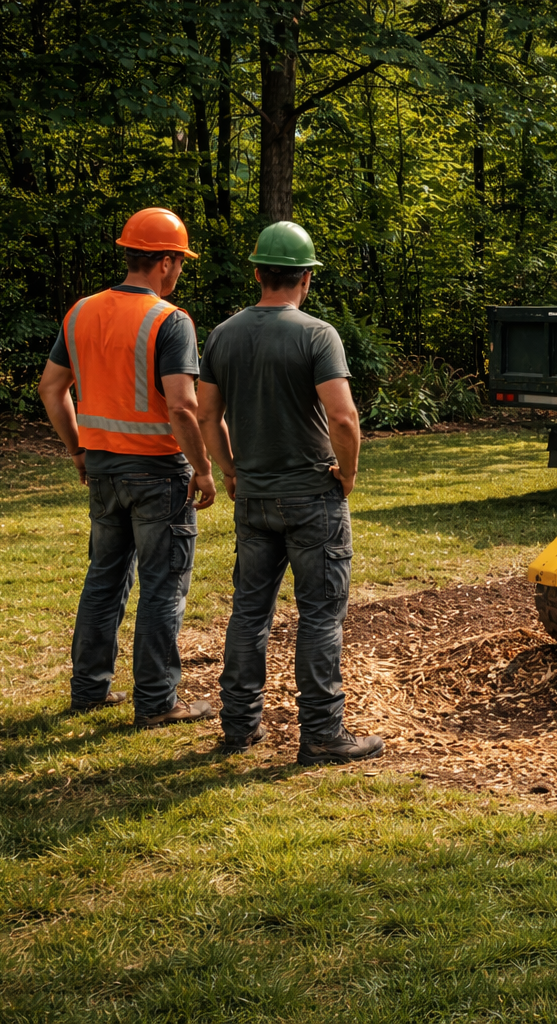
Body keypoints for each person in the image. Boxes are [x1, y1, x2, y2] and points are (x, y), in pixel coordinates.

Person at [197, 221, 383, 764]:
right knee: (320, 615)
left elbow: (207, 414)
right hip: (312, 496)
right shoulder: (317, 334)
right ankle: (323, 735)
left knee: (249, 612)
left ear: (258, 272)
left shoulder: (222, 335)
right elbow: (343, 419)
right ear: (306, 277)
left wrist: (229, 469)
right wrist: (346, 474)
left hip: (253, 497)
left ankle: (237, 725)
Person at [37, 207, 218, 726]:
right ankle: (158, 703)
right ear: (163, 261)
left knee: (104, 580)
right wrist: (202, 468)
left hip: (103, 469)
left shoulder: (80, 313)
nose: (179, 270)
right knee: (163, 587)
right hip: (159, 474)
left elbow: (52, 389)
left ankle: (89, 689)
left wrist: (77, 449)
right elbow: (182, 406)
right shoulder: (170, 320)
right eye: (179, 260)